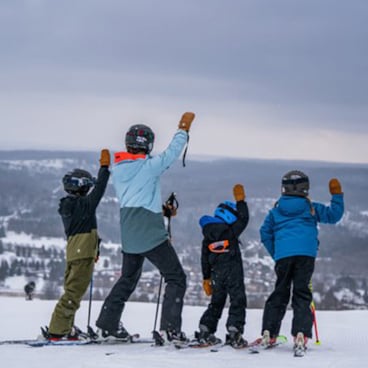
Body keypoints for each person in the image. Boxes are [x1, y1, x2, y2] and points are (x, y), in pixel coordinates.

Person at [95, 112, 195, 344]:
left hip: (130, 233)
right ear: (148, 144)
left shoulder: (118, 169)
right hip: (150, 233)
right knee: (176, 277)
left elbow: (137, 198)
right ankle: (170, 329)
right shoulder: (149, 167)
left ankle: (108, 324)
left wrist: (161, 210)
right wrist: (183, 130)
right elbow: (171, 154)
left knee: (128, 279)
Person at [259, 170, 344, 352]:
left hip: (284, 256)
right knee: (302, 293)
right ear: (305, 188)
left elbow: (264, 233)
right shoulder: (311, 207)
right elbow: (334, 216)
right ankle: (301, 334)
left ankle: (269, 332)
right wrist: (337, 196)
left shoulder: (276, 210)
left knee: (280, 292)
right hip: (306, 255)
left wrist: (277, 253)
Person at [46, 150, 111, 341]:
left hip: (75, 252)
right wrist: (104, 169)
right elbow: (100, 189)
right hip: (82, 254)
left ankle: (66, 328)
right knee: (74, 293)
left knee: (71, 291)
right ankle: (57, 331)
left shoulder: (68, 204)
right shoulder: (84, 205)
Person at [195, 184, 249, 348]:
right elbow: (244, 219)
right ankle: (234, 331)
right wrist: (241, 202)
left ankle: (206, 330)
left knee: (216, 302)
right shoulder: (230, 232)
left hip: (216, 274)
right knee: (237, 300)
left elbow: (204, 258)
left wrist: (206, 278)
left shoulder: (207, 236)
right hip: (233, 272)